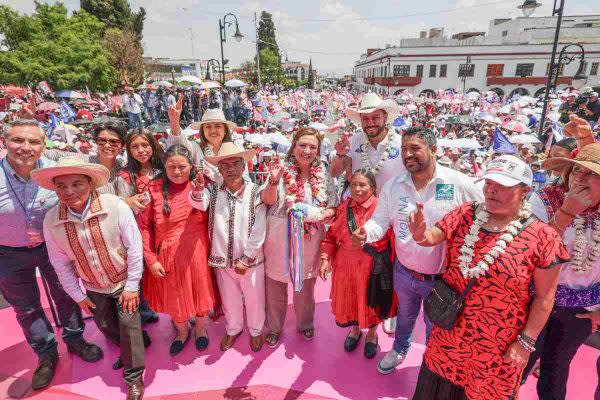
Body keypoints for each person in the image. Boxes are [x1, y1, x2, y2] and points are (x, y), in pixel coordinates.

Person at [407, 155, 569, 400]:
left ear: (524, 191)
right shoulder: (465, 214)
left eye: (502, 186)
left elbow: (545, 299)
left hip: (497, 348)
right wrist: (420, 234)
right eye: (488, 184)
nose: (491, 191)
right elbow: (431, 237)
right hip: (449, 335)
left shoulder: (544, 238)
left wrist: (525, 343)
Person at [352, 127, 483, 375]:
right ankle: (400, 350)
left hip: (442, 279)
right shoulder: (393, 185)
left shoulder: (459, 183)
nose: (408, 155)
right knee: (404, 318)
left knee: (435, 327)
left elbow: (485, 211)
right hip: (404, 273)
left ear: (433, 150)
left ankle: (432, 364)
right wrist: (365, 233)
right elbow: (380, 221)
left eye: (415, 149)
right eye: (403, 150)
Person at [0, 120, 102, 391]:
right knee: (26, 307)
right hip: (7, 254)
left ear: (43, 145)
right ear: (4, 142)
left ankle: (75, 340)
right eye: (18, 140)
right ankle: (46, 355)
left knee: (66, 295)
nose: (26, 147)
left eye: (34, 142)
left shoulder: (54, 173)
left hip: (53, 248)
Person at [34, 157, 146, 400]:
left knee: (129, 325)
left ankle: (134, 376)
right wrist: (78, 295)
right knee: (107, 326)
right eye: (61, 186)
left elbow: (135, 247)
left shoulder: (115, 205)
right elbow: (59, 263)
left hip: (122, 282)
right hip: (93, 286)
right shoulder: (52, 220)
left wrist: (131, 286)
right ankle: (132, 350)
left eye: (76, 184)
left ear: (90, 183)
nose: (69, 191)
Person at [522, 142, 600, 400]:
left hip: (580, 314)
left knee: (556, 374)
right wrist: (566, 212)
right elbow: (530, 250)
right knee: (515, 366)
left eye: (592, 173)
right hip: (533, 304)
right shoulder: (544, 199)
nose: (581, 178)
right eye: (577, 170)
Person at [331, 92, 405, 334]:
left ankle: (388, 310)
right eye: (366, 118)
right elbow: (336, 172)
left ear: (386, 118)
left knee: (391, 264)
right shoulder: (353, 141)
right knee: (360, 268)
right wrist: (341, 156)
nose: (370, 123)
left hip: (392, 213)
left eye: (375, 117)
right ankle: (358, 317)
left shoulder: (400, 143)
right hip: (360, 210)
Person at [138, 145, 219, 355]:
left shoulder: (200, 185)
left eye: (182, 166)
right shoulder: (152, 188)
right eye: (171, 166)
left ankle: (201, 330)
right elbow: (145, 227)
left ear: (190, 166)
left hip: (198, 252)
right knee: (175, 299)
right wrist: (151, 259)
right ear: (163, 166)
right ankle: (182, 332)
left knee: (201, 295)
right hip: (167, 256)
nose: (177, 171)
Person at [262, 127, 338, 347]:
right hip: (279, 238)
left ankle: (305, 324)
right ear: (293, 146)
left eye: (312, 147)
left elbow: (333, 206)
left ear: (318, 150)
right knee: (275, 284)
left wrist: (321, 214)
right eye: (302, 145)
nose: (306, 150)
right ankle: (274, 327)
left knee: (305, 285)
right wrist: (274, 181)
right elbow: (267, 200)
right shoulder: (279, 170)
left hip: (310, 239)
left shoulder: (324, 175)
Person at [189, 142, 267, 352]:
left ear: (243, 167)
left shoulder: (256, 192)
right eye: (225, 165)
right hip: (222, 259)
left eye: (235, 164)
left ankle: (256, 331)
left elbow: (259, 229)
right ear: (219, 169)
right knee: (229, 298)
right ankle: (233, 329)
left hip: (250, 261)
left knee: (255, 298)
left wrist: (246, 257)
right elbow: (198, 202)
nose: (231, 169)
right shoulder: (212, 191)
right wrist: (196, 190)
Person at [319, 170, 395, 359]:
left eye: (363, 185)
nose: (357, 189)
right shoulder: (344, 207)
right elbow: (331, 237)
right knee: (352, 299)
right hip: (345, 266)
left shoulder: (382, 208)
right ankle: (354, 330)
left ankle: (371, 334)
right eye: (353, 185)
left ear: (373, 187)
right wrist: (325, 258)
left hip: (372, 267)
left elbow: (391, 239)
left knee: (372, 301)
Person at [115, 129, 165, 325]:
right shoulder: (124, 176)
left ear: (153, 145)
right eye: (135, 146)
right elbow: (120, 205)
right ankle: (144, 312)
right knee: (141, 272)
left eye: (145, 145)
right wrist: (128, 201)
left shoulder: (165, 170)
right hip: (138, 231)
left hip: (163, 228)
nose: (141, 150)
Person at [167, 96, 249, 184]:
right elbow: (178, 145)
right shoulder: (196, 147)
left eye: (218, 126)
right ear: (202, 131)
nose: (213, 130)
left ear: (225, 130)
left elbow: (246, 178)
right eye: (208, 126)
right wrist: (174, 121)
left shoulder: (236, 148)